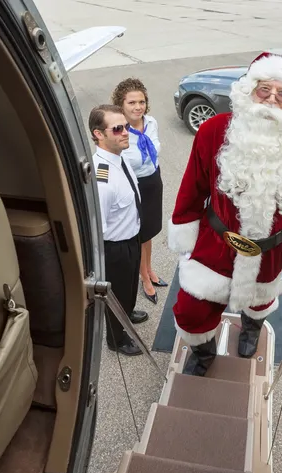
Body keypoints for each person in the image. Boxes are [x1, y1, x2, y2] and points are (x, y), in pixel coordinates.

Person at [168, 52, 282, 376]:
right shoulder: (214, 131)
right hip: (215, 242)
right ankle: (203, 352)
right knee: (191, 310)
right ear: (249, 91)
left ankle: (251, 328)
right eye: (264, 89)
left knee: (259, 302)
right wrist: (186, 237)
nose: (271, 99)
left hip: (272, 250)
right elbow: (192, 187)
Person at [89, 104, 148, 356]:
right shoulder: (101, 179)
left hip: (131, 239)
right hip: (115, 248)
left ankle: (127, 311)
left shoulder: (118, 159)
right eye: (118, 128)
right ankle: (116, 338)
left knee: (129, 285)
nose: (126, 132)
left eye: (126, 126)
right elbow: (96, 228)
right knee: (117, 292)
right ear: (98, 134)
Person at [112, 78, 167, 305]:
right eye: (132, 103)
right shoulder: (119, 130)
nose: (138, 107)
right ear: (121, 106)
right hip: (133, 185)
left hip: (153, 181)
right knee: (138, 234)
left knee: (150, 231)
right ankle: (143, 277)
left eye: (141, 102)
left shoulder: (151, 122)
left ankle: (150, 269)